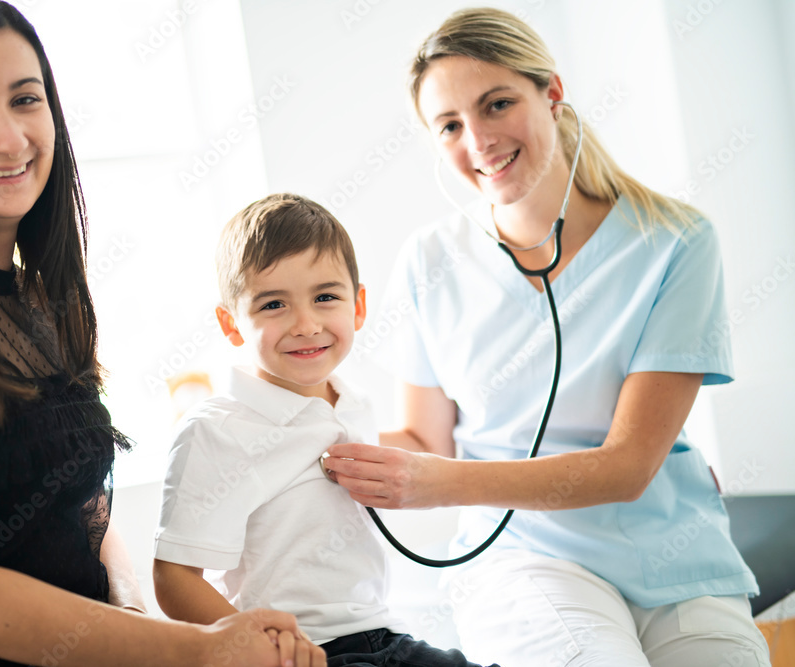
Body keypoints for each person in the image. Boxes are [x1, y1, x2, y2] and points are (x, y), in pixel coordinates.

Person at [0, 1, 317, 665]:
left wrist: (132, 611)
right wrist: (195, 649)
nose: (10, 137)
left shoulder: (40, 301)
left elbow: (85, 514)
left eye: (25, 99)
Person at [321, 8, 771, 667]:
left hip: (672, 553)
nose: (477, 140)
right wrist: (308, 431)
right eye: (449, 125)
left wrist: (438, 482)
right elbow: (423, 442)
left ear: (552, 94)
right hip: (522, 557)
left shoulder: (674, 240)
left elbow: (626, 465)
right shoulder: (429, 259)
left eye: (496, 104)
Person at [152, 193, 497, 667]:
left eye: (325, 297)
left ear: (357, 306)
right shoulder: (216, 430)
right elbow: (174, 578)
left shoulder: (353, 403)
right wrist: (263, 646)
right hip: (301, 653)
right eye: (274, 304)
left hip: (384, 638)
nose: (306, 324)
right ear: (231, 324)